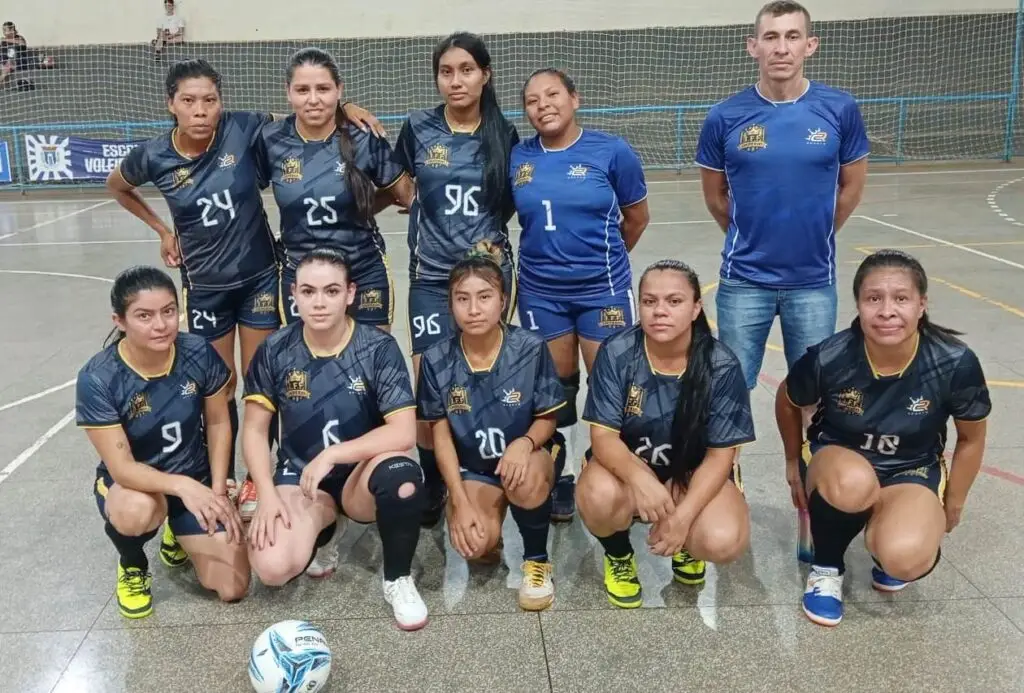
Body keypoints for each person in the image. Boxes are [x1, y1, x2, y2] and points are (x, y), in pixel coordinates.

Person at [106, 58, 383, 519]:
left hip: (258, 278)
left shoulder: (244, 127)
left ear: (221, 102)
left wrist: (345, 103)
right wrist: (161, 230)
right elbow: (117, 186)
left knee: (259, 384)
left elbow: (307, 111)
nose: (201, 110)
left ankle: (259, 478)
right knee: (220, 386)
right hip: (206, 286)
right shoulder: (153, 154)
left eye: (210, 100)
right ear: (170, 104)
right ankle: (223, 475)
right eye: (189, 101)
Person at [775, 249, 991, 627]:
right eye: (874, 298)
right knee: (855, 482)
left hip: (910, 467)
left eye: (901, 298)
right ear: (858, 304)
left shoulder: (954, 362)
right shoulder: (831, 356)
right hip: (839, 460)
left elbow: (971, 437)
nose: (887, 310)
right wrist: (794, 461)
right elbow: (788, 398)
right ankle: (826, 568)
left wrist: (954, 499)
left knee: (904, 558)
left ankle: (885, 538)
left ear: (922, 304)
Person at [241, 248, 428, 631]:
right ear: (293, 295)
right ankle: (325, 530)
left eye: (331, 291)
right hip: (302, 477)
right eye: (308, 292)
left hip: (361, 473)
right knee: (273, 568)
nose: (319, 302)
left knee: (403, 475)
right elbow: (256, 430)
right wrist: (266, 494)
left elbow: (404, 432)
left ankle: (397, 579)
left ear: (350, 293)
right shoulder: (275, 349)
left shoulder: (377, 348)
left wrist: (334, 454)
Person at [695, 0, 869, 390]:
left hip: (812, 281)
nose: (781, 47)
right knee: (730, 389)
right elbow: (715, 196)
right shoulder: (723, 116)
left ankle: (801, 456)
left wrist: (818, 231)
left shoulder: (839, 109)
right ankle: (730, 455)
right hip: (744, 280)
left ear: (810, 45)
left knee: (813, 391)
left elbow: (852, 187)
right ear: (752, 46)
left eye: (792, 36)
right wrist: (751, 234)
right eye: (770, 37)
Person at [391, 31, 520, 527]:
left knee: (482, 373)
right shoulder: (419, 127)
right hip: (430, 276)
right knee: (430, 380)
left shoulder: (503, 135)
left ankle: (485, 468)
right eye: (446, 71)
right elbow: (396, 183)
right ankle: (433, 480)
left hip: (486, 276)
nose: (456, 80)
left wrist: (484, 249)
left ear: (485, 74)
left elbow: (505, 206)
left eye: (466, 69)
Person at [510, 67, 650, 522]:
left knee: (611, 383)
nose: (543, 105)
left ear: (575, 99)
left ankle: (612, 466)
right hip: (540, 292)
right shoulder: (518, 158)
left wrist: (601, 263)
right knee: (557, 387)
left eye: (553, 95)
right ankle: (566, 471)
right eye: (532, 100)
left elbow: (636, 217)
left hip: (602, 290)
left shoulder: (611, 151)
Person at [577, 260, 754, 608]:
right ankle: (619, 556)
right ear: (639, 305)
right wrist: (642, 482)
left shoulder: (721, 365)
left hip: (691, 471)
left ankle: (687, 546)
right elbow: (603, 439)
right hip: (631, 469)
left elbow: (721, 456)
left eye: (674, 302)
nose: (660, 311)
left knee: (723, 539)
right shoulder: (617, 353)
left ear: (695, 308)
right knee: (596, 493)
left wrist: (682, 518)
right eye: (649, 301)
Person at [76, 266, 249, 619]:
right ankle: (133, 564)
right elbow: (122, 468)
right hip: (136, 485)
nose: (161, 325)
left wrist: (216, 490)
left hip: (195, 477)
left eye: (168, 311)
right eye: (144, 315)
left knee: (233, 588)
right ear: (120, 320)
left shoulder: (197, 351)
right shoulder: (98, 378)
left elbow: (217, 421)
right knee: (138, 512)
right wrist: (183, 487)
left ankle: (177, 527)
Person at [417, 242, 567, 611]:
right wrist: (459, 499)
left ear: (502, 300)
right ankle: (492, 531)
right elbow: (441, 437)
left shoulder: (529, 347)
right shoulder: (436, 359)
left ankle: (536, 561)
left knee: (525, 479)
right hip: (476, 467)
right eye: (462, 298)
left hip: (530, 455)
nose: (473, 309)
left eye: (484, 296)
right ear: (450, 305)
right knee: (474, 543)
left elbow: (548, 416)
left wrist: (526, 442)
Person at [257, 47, 412, 333]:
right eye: (302, 89)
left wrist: (362, 205)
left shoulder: (363, 136)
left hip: (363, 268)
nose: (313, 99)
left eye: (324, 88)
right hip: (301, 274)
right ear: (288, 92)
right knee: (309, 368)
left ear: (339, 90)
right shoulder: (270, 140)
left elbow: (405, 193)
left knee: (371, 363)